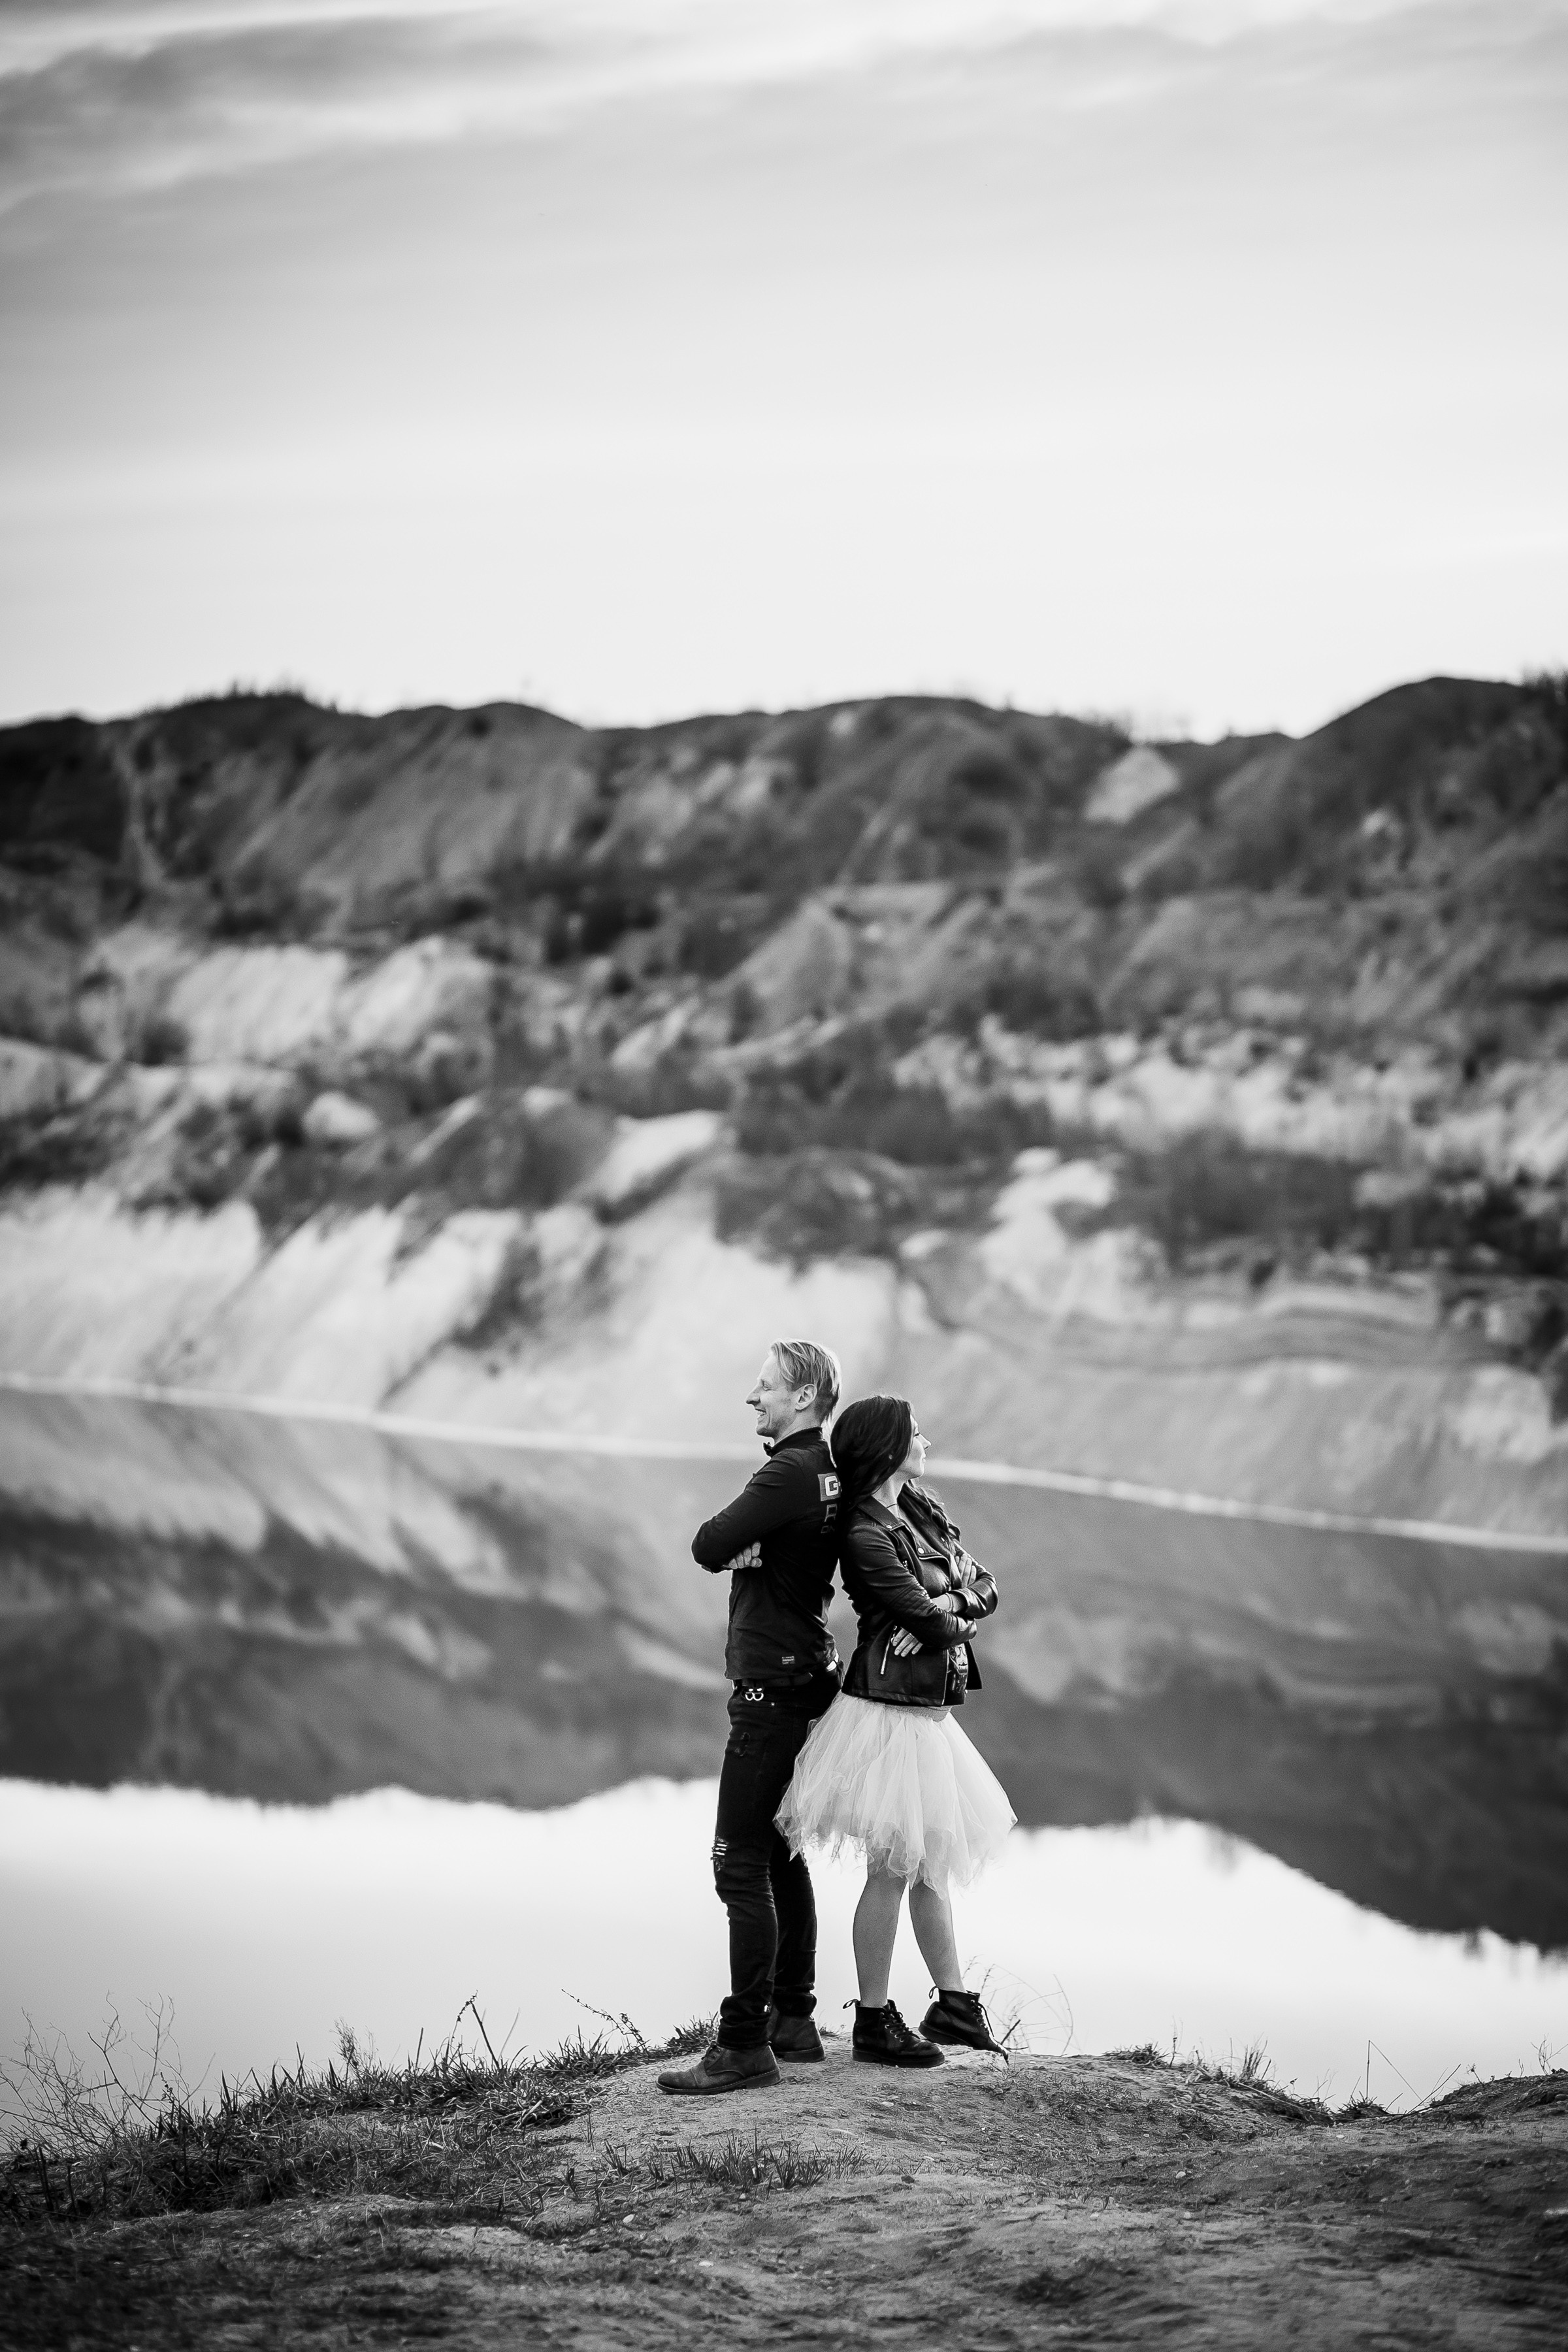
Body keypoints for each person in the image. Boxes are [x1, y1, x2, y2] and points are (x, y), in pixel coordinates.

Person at [775, 1394, 1015, 2067]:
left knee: (929, 1865)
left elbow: (986, 1585)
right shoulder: (863, 1531)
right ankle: (874, 2021)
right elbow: (933, 1623)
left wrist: (950, 1601)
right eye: (915, 1433)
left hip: (927, 1714)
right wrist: (945, 1611)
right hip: (887, 1715)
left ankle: (955, 2005)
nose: (926, 1441)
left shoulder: (918, 1509)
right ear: (886, 1446)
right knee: (892, 1868)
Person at [657, 1338, 845, 2097]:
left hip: (772, 1690)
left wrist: (749, 1545)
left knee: (739, 1862)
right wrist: (760, 1547)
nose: (753, 1398)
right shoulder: (827, 1473)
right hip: (809, 1678)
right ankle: (793, 2021)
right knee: (781, 1854)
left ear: (803, 1397)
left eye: (764, 1388)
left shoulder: (789, 1471)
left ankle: (743, 2044)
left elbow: (709, 1544)